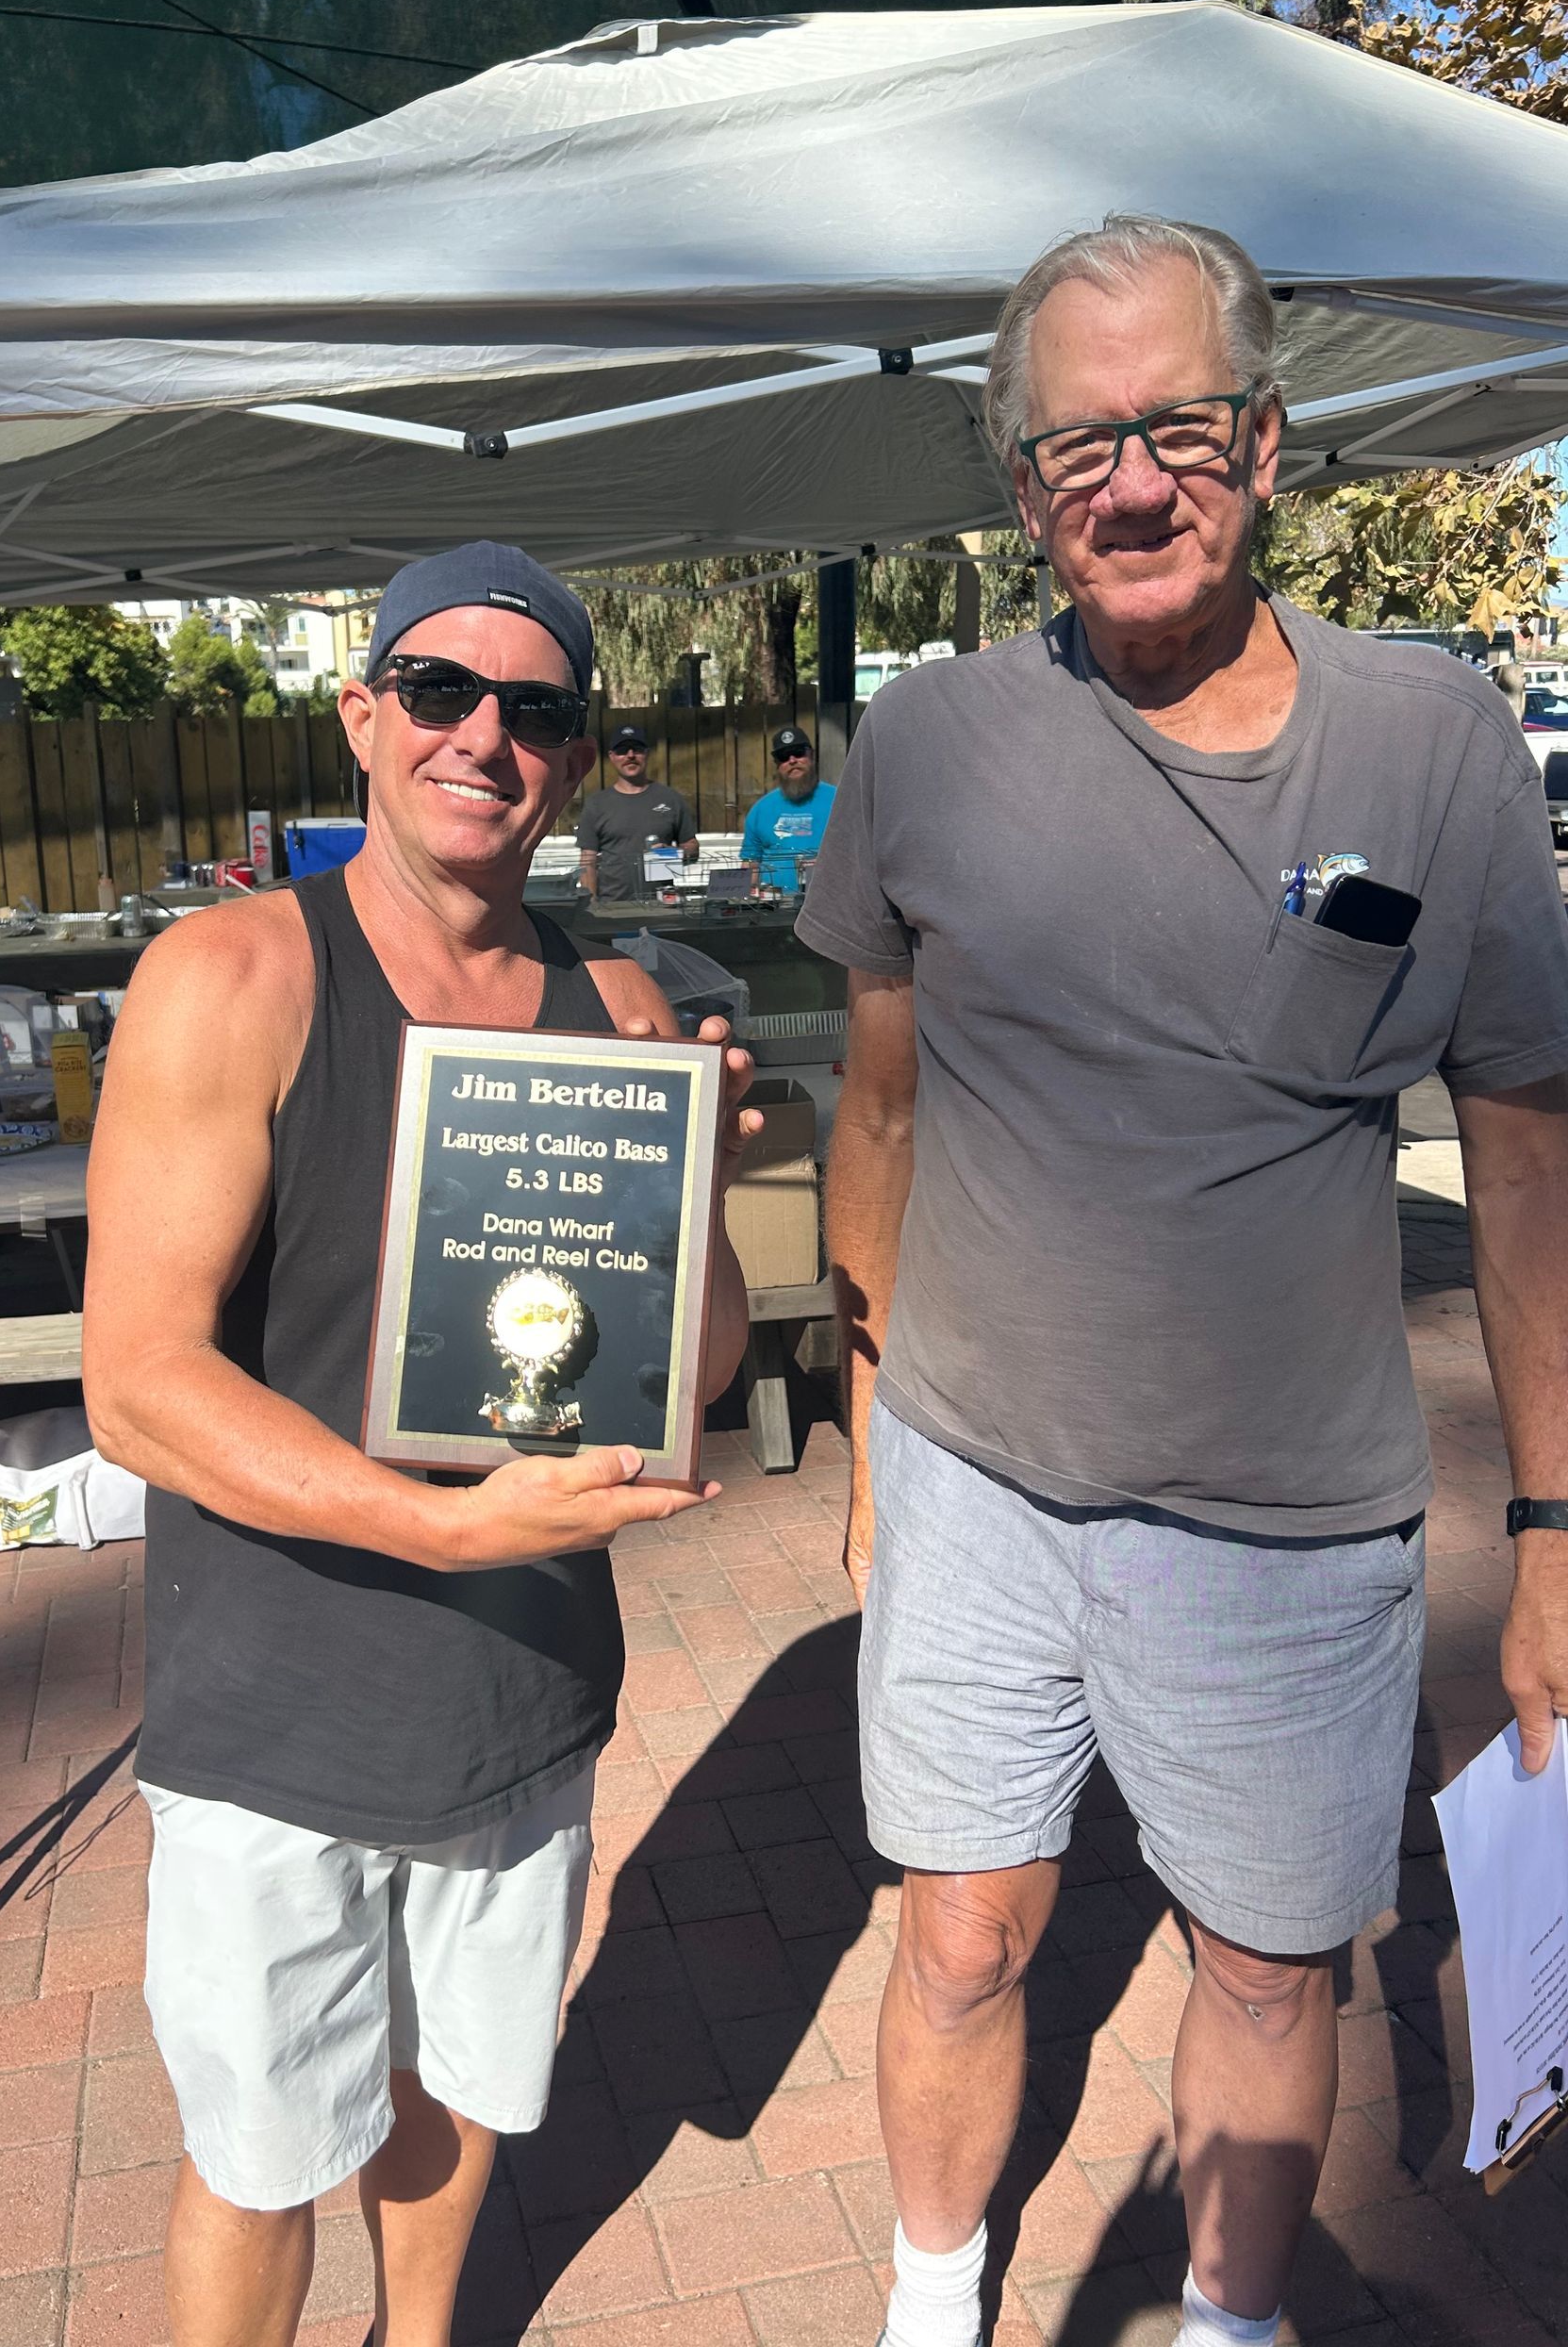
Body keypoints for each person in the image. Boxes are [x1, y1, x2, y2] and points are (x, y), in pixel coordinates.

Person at [799, 217, 1568, 2347]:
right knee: (959, 1927)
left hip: (1288, 1524)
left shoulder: (1427, 743)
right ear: (1017, 478)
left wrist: (1557, 1530)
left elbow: (1525, 1154)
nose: (1129, 487)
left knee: (1262, 1963)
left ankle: (1228, 2326)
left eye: (1175, 430)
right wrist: (869, 1431)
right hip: (973, 1472)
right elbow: (875, 1110)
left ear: (1266, 434)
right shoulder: (929, 743)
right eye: (1073, 447)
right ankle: (929, 2296)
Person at [84, 539, 757, 2347]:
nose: (485, 737)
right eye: (443, 693)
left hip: (520, 1704)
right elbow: (137, 1382)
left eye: (533, 710)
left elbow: (685, 1373)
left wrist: (690, 1182)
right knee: (258, 2154)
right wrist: (443, 1529)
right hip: (277, 1720)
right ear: (363, 717)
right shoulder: (229, 978)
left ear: (576, 752)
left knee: (454, 2100)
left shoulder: (611, 1012)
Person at [575, 723, 698, 899]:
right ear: (612, 756)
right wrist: (591, 908)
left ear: (646, 753)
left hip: (663, 905)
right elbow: (588, 862)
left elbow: (693, 849)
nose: (630, 756)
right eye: (622, 751)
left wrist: (672, 854)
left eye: (637, 750)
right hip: (613, 909)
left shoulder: (670, 798)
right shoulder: (596, 804)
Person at [740, 724, 837, 893]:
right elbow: (750, 863)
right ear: (777, 765)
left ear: (811, 756)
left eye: (799, 753)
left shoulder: (839, 801)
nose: (792, 760)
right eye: (784, 757)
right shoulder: (760, 809)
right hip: (772, 912)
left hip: (829, 906)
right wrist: (741, 903)